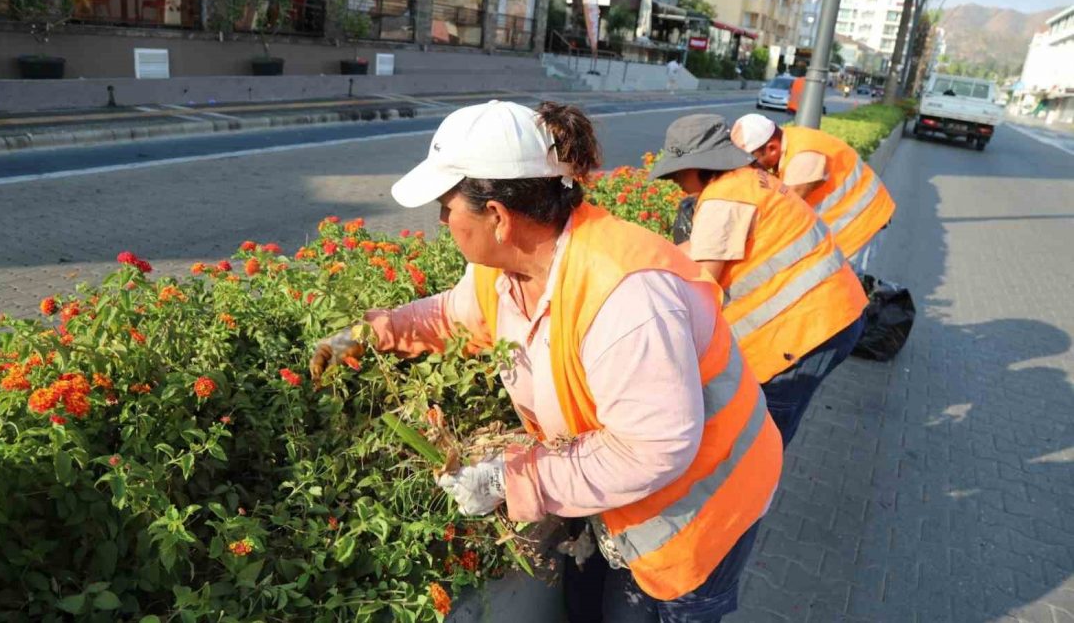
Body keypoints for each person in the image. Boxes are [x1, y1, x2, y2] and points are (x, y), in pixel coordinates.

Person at [310, 100, 782, 622]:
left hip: (700, 510)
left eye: (446, 205)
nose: (442, 219)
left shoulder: (626, 296)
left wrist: (509, 480)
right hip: (627, 497)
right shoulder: (507, 269)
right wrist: (368, 333)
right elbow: (453, 315)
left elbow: (652, 448)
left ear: (496, 216)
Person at [649, 114, 868, 447]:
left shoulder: (725, 198)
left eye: (679, 171)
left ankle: (752, 492)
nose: (675, 181)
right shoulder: (748, 181)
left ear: (702, 165)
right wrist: (650, 256)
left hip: (807, 331)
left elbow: (704, 280)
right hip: (833, 314)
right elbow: (703, 247)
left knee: (761, 434)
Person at [730, 113, 896, 271]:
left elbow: (782, 213)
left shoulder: (803, 158)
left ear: (772, 148)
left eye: (752, 161)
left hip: (860, 225)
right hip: (849, 224)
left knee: (837, 288)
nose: (750, 167)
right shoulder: (787, 141)